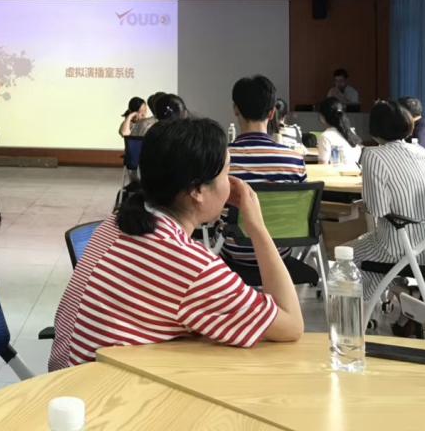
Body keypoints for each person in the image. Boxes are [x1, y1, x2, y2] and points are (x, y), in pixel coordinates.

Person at [48, 118, 303, 371]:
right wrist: (257, 226)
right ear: (197, 190)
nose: (233, 183)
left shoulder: (116, 222)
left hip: (66, 379)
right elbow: (291, 324)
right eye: (227, 172)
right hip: (104, 390)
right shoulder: (192, 267)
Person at [348, 100, 425, 301]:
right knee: (371, 258)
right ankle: (397, 300)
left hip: (396, 247)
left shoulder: (372, 155)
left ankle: (390, 299)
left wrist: (364, 204)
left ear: (374, 128)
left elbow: (378, 209)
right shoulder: (422, 152)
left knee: (345, 256)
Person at [221, 76, 307, 265]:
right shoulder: (294, 159)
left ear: (236, 109)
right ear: (272, 113)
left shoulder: (221, 158)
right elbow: (298, 212)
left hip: (234, 252)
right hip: (278, 255)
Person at [316, 97, 363, 166]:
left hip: (336, 172)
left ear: (322, 117)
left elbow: (322, 165)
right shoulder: (351, 132)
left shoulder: (326, 136)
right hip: (355, 171)